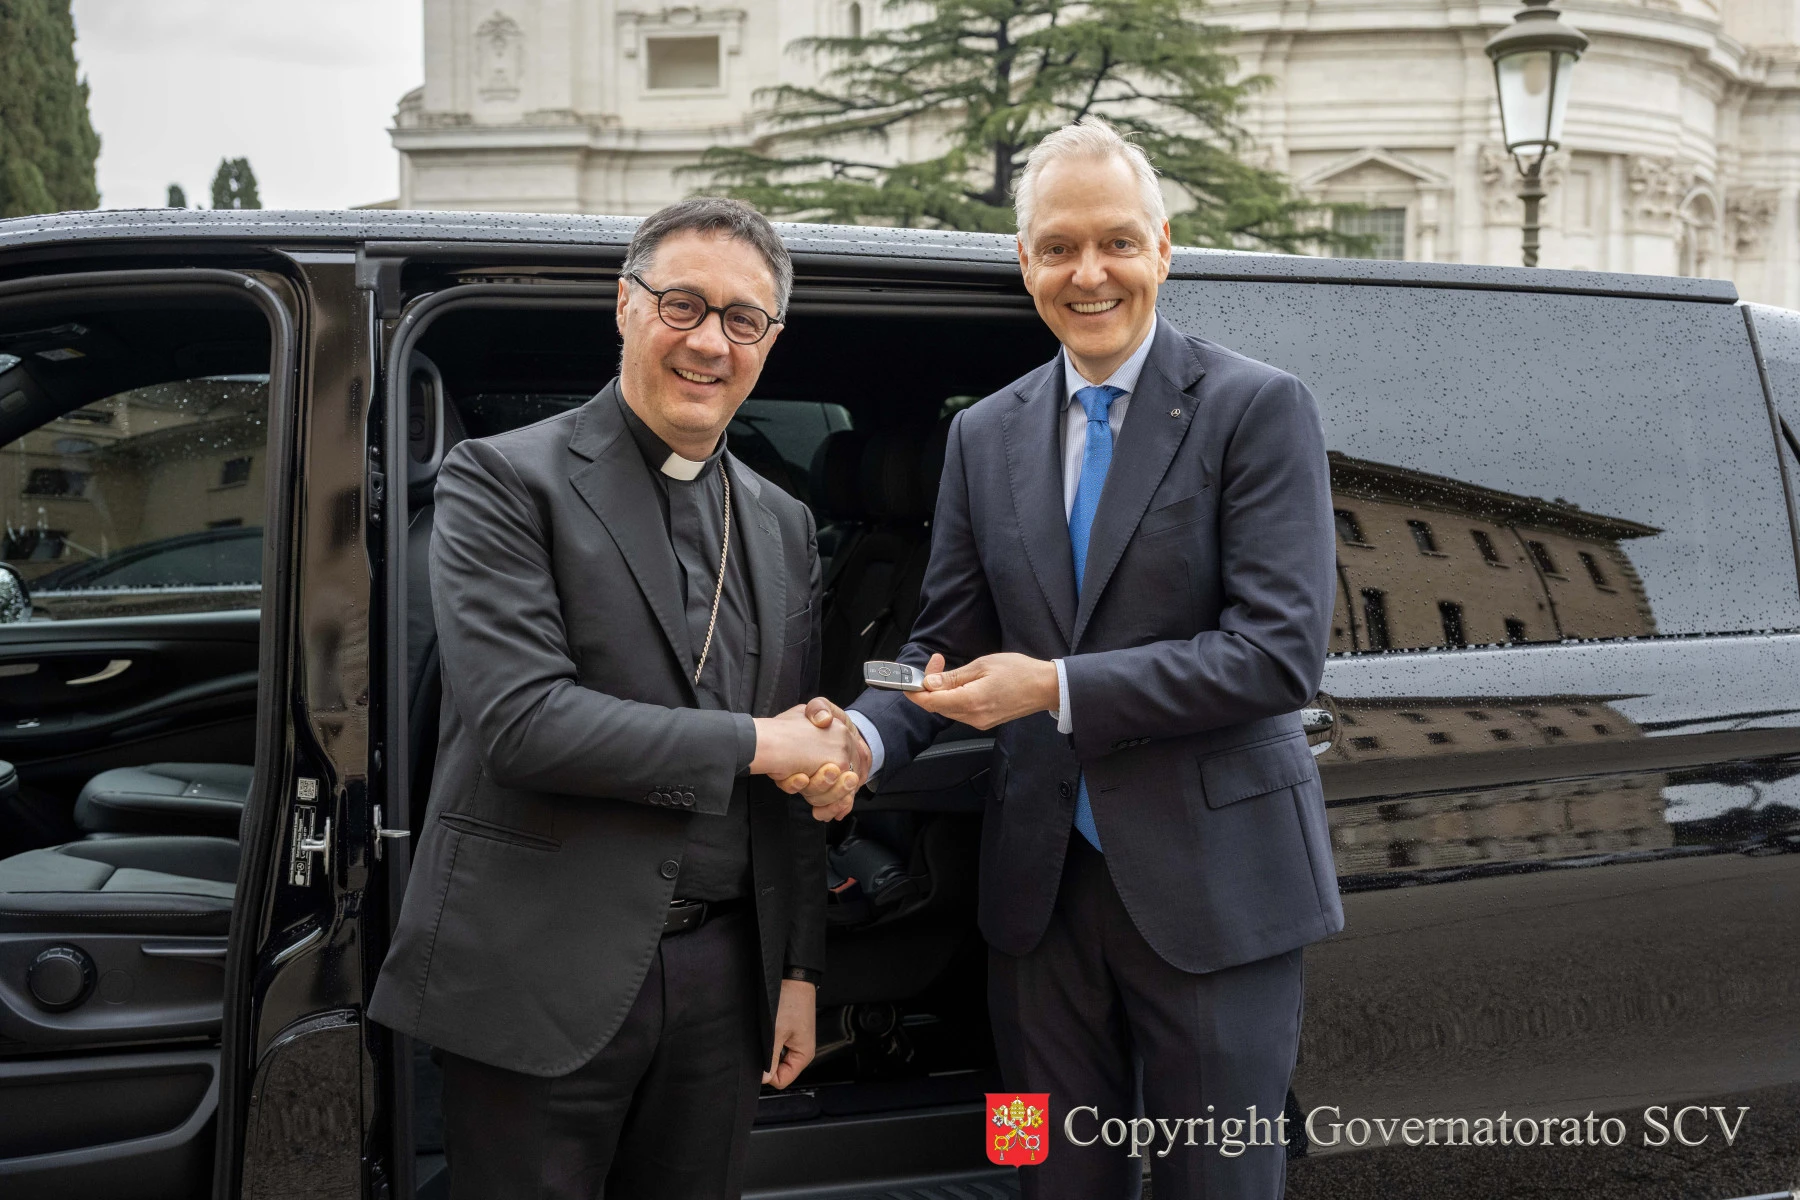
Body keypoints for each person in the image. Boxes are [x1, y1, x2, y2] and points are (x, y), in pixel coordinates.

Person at [840, 121, 1343, 1199]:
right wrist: (869, 733)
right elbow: (948, 637)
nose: (1089, 272)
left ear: (1163, 246)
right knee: (1043, 1173)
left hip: (1218, 894)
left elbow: (1277, 654)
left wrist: (1056, 689)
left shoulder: (1258, 407)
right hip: (1036, 902)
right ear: (1026, 265)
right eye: (1058, 247)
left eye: (1116, 241)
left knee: (1220, 1182)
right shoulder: (983, 434)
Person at [371, 197, 863, 1200]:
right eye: (683, 304)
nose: (710, 342)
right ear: (625, 307)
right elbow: (523, 723)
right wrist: (760, 745)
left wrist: (800, 970)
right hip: (538, 968)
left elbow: (790, 755)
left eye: (743, 319)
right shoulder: (506, 482)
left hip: (724, 978)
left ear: (770, 340)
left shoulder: (781, 523)